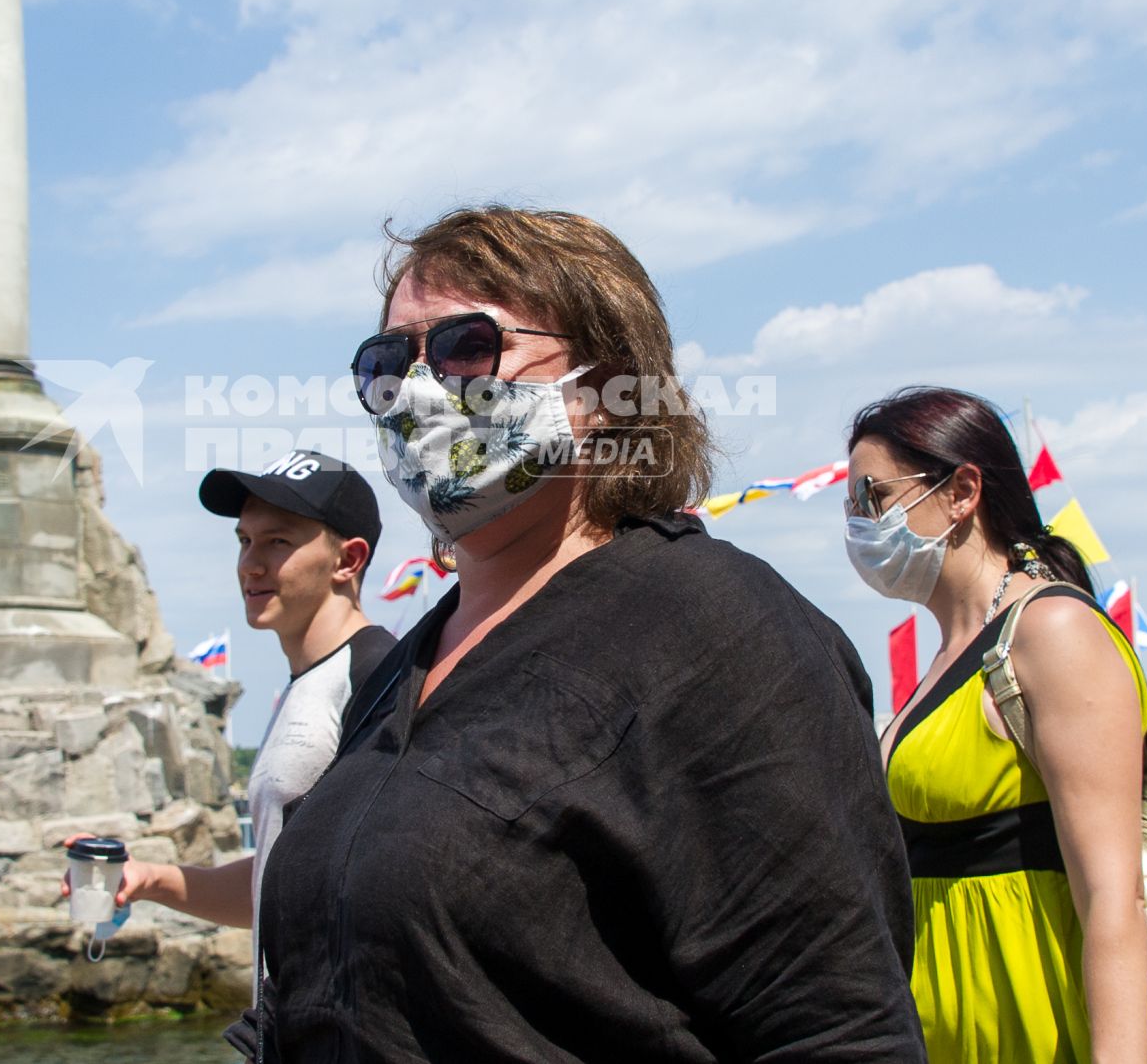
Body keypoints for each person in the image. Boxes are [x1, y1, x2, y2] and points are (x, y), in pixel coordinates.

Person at [255, 207, 924, 1062]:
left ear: (600, 391)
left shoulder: (718, 630)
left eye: (467, 347)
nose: (416, 391)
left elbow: (837, 1030)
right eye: (387, 363)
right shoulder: (404, 668)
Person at [845, 387, 1147, 1062]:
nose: (860, 524)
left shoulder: (1052, 632)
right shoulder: (947, 658)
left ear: (962, 490)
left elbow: (1114, 895)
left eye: (873, 498)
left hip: (1039, 1024)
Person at [64, 451, 394, 1010]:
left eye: (278, 543)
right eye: (244, 541)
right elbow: (280, 879)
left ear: (348, 559)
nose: (251, 564)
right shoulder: (307, 686)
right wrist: (149, 880)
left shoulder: (379, 681)